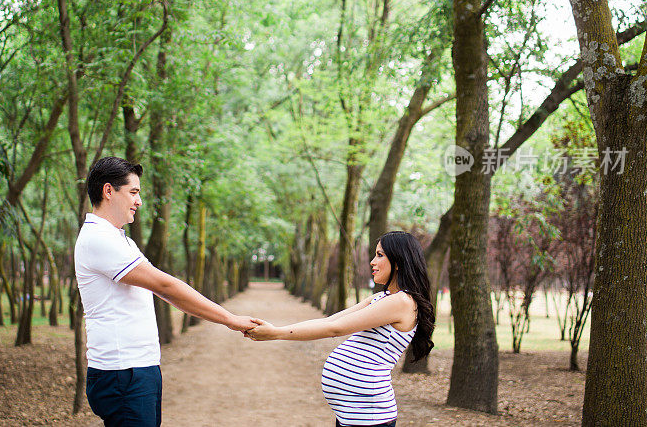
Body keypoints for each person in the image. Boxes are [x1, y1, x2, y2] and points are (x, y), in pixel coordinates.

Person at [75, 156, 259, 426]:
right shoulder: (99, 239)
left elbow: (164, 291)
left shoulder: (116, 237)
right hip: (123, 372)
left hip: (136, 369)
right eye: (134, 192)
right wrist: (230, 320)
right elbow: (166, 286)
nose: (139, 201)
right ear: (108, 191)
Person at [246, 231, 435, 427]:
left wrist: (276, 334)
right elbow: (330, 320)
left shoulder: (402, 302)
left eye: (380, 255)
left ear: (398, 262)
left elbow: (335, 329)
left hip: (369, 415)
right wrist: (277, 329)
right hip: (354, 413)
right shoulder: (383, 298)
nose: (372, 261)